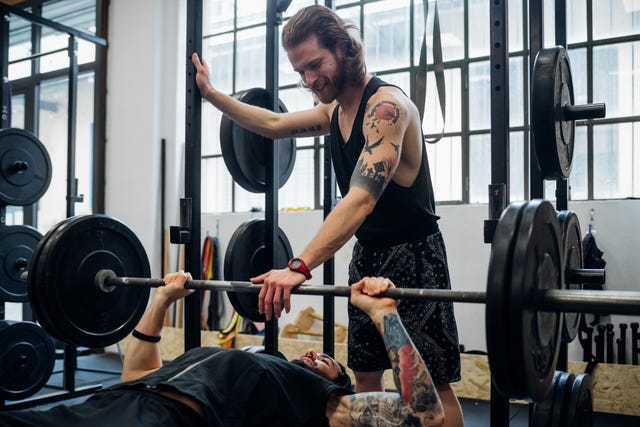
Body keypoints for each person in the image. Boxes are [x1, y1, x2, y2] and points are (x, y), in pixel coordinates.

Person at [191, 4, 462, 422]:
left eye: (315, 65)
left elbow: (361, 198)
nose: (309, 80)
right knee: (366, 374)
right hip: (368, 254)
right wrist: (212, 95)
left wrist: (298, 266)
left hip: (415, 257)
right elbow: (273, 123)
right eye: (300, 72)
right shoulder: (334, 112)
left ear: (343, 48)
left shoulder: (386, 108)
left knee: (431, 383)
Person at [0, 272, 447, 426]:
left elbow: (426, 414)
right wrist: (162, 300)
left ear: (339, 388)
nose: (314, 357)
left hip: (159, 420)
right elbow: (135, 374)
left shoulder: (320, 407)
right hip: (109, 402)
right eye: (315, 354)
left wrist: (382, 312)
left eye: (328, 363)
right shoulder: (264, 364)